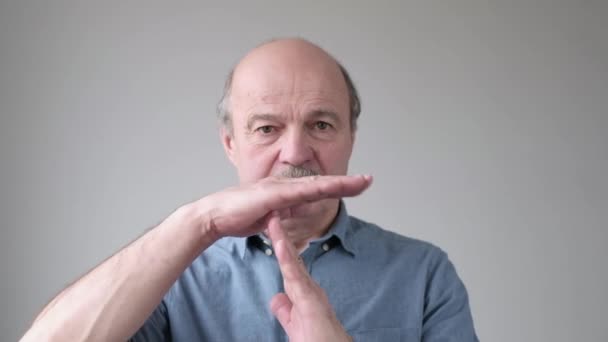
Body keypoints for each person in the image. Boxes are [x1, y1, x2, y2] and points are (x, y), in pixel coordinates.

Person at [20, 38, 478, 341]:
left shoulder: (424, 275)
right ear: (230, 144)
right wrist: (198, 222)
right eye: (266, 128)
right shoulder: (175, 275)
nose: (296, 153)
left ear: (350, 139)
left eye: (321, 124)